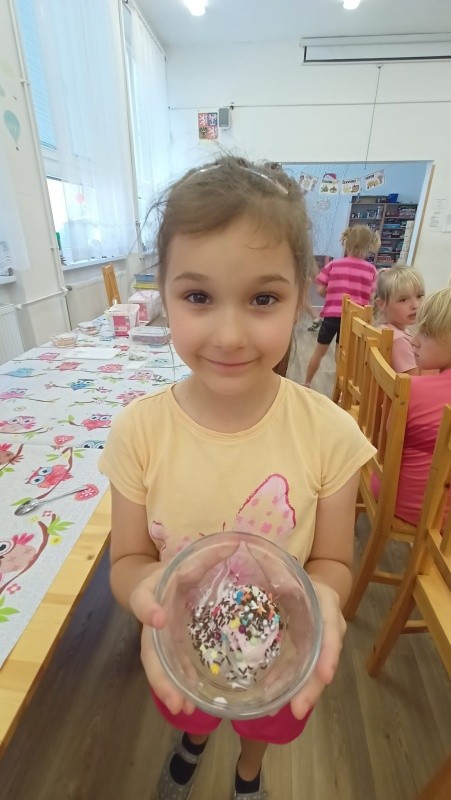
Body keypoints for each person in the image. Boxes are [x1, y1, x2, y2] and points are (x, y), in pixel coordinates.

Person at [98, 156, 375, 800]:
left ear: (302, 299)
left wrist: (324, 597)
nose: (228, 334)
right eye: (198, 297)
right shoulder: (139, 432)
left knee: (263, 726)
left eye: (262, 298)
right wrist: (145, 594)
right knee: (194, 713)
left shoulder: (330, 435)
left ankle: (248, 774)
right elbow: (128, 560)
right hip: (181, 649)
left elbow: (334, 561)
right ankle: (194, 742)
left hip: (280, 654)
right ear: (163, 297)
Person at [372, 286, 451, 525]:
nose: (414, 341)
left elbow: (387, 438)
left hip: (397, 499)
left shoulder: (412, 390)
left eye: (425, 333)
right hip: (441, 526)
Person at [303, 225, 380, 388]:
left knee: (319, 352)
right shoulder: (371, 270)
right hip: (354, 320)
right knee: (342, 354)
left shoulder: (333, 265)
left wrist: (333, 294)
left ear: (346, 243)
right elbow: (371, 298)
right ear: (369, 247)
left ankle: (307, 383)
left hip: (331, 316)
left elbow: (320, 290)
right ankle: (341, 389)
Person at [373, 265, 425, 375]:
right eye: (403, 300)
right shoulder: (398, 339)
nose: (415, 305)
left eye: (419, 296)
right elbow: (413, 379)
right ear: (381, 304)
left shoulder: (386, 329)